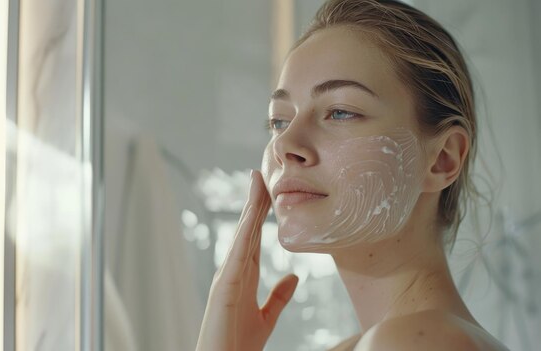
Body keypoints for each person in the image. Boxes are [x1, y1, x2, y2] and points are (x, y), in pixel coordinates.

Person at [196, 0, 510, 350]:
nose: (286, 143)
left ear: (442, 160)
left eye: (341, 112)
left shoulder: (414, 341)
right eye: (279, 121)